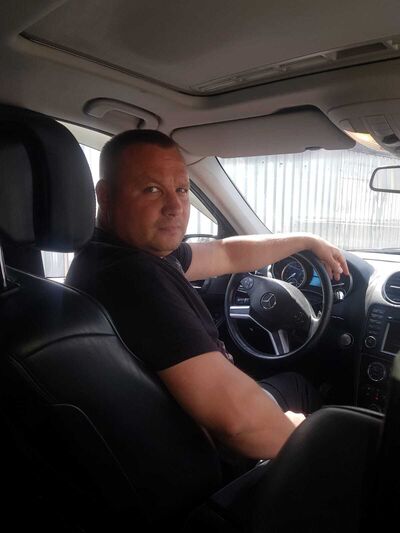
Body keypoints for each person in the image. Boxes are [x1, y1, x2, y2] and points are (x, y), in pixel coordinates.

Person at [66, 129, 349, 468]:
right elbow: (236, 422)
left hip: (168, 436)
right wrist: (303, 439)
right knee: (307, 396)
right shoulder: (133, 278)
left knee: (291, 384)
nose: (175, 207)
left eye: (181, 189)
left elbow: (226, 254)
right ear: (106, 196)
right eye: (152, 189)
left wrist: (305, 240)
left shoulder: (109, 255)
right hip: (211, 456)